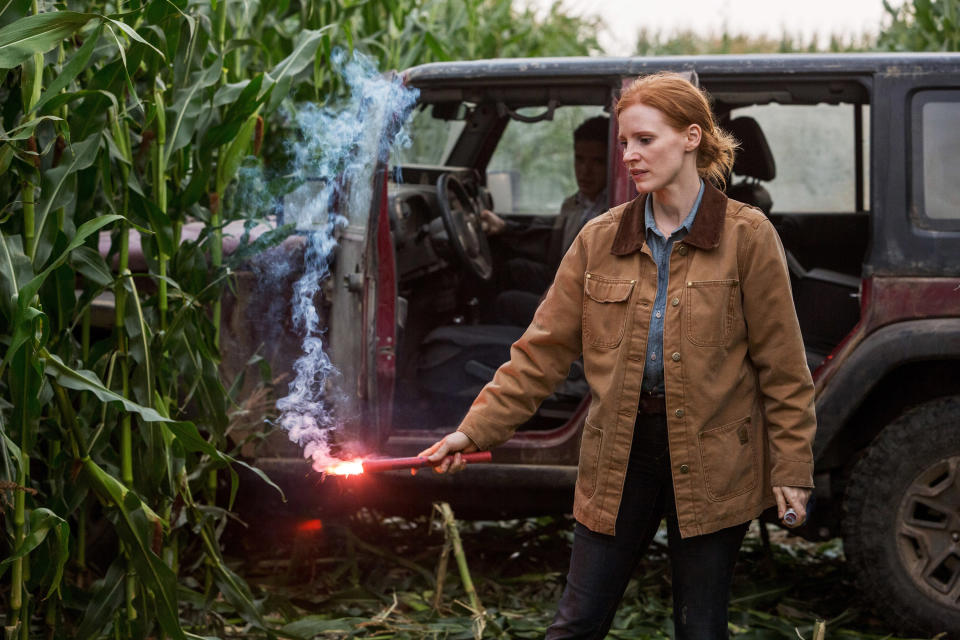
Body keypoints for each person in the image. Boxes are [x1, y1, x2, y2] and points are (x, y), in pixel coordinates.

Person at [419, 72, 816, 639]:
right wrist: (474, 431)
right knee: (575, 624)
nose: (628, 155)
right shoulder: (598, 239)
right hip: (618, 457)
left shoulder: (747, 237)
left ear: (691, 138)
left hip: (713, 461)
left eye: (645, 140)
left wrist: (792, 470)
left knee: (701, 629)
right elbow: (541, 352)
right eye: (624, 142)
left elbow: (783, 368)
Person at [482, 116, 609, 320]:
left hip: (581, 297)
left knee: (506, 303)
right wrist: (505, 227)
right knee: (513, 269)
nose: (585, 171)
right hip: (561, 276)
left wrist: (552, 295)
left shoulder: (612, 208)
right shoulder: (573, 204)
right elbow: (550, 238)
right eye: (580, 159)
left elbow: (591, 271)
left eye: (598, 162)